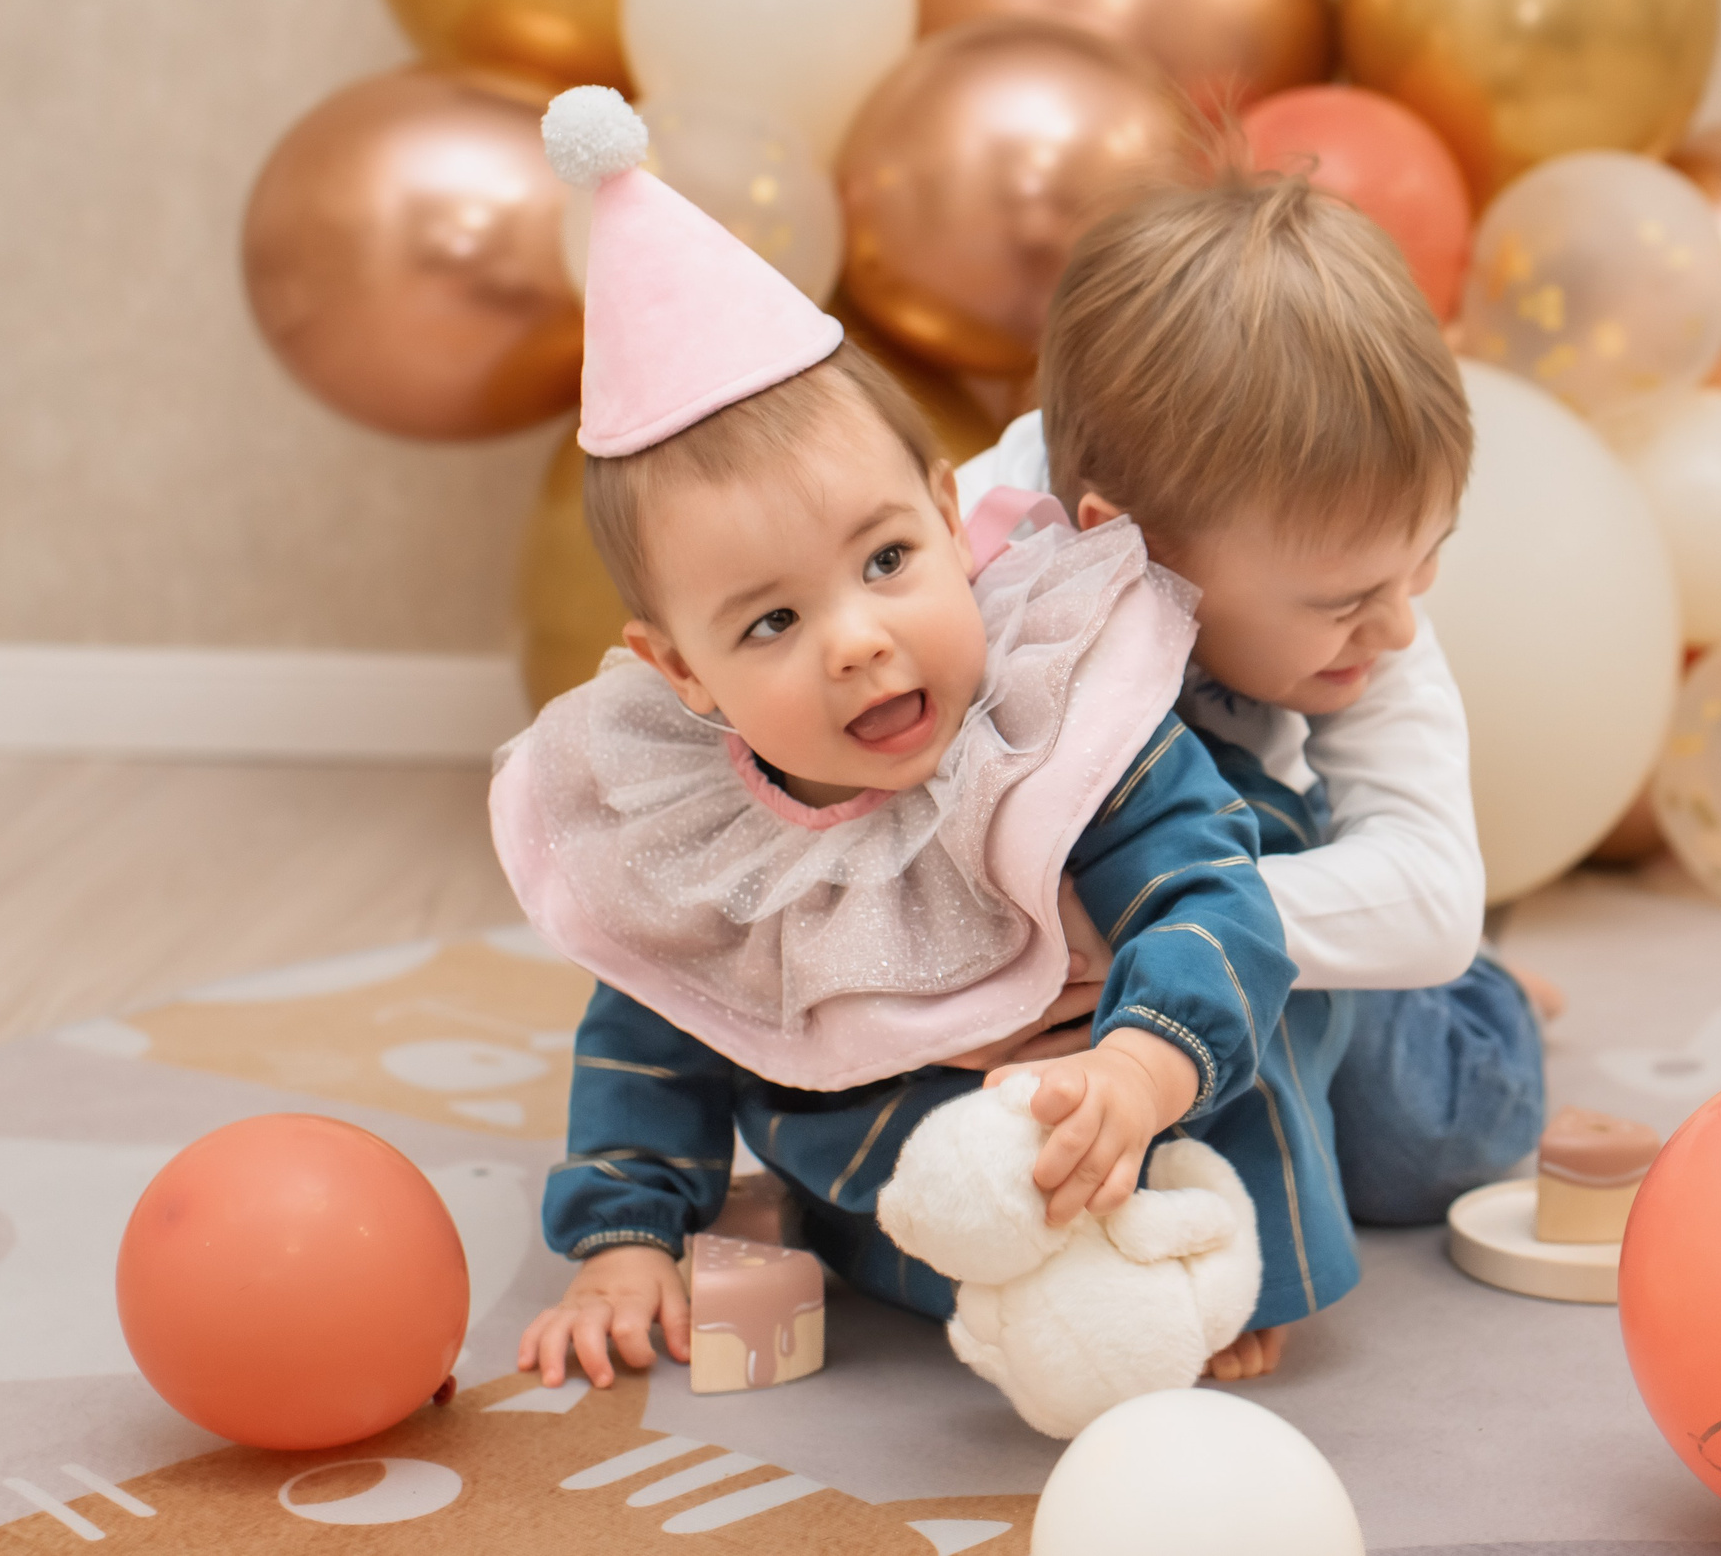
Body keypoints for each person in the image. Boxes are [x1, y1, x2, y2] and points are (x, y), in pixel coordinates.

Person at [495, 89, 1353, 1397]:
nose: (858, 641)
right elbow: (652, 1032)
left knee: (1360, 1092)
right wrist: (624, 1237)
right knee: (882, 1169)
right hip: (898, 1164)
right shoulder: (705, 842)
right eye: (772, 620)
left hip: (1134, 1079)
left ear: (949, 517)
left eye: (887, 559)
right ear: (682, 669)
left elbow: (1205, 893)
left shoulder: (1048, 725)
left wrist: (1143, 1062)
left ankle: (1444, 1026)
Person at [955, 171, 1551, 1374]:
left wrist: (1144, 927)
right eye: (1346, 600)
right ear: (1133, 547)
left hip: (1260, 865)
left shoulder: (1371, 607)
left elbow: (1429, 897)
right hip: (1062, 899)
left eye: (1423, 564)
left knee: (1427, 1139)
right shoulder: (962, 566)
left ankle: (1491, 1007)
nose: (1397, 624)